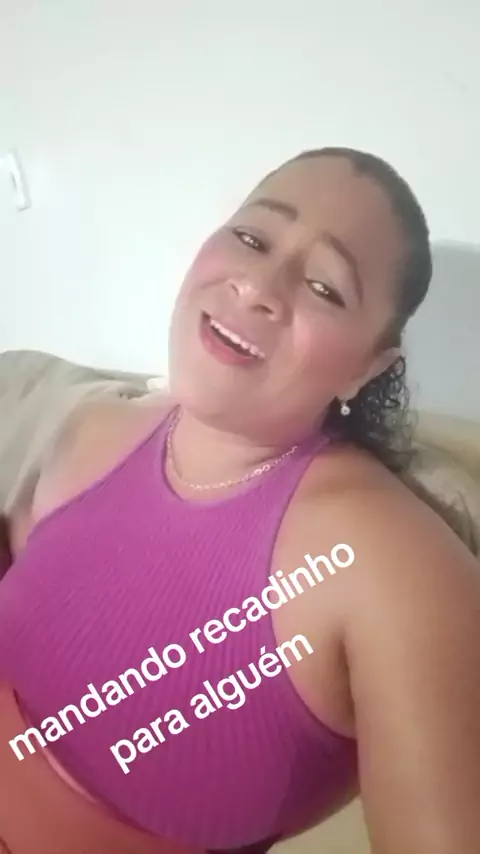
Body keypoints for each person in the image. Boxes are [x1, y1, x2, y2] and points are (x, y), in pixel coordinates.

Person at [1, 147, 479, 854]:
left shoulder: (395, 567)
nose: (259, 285)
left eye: (325, 287)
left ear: (367, 368)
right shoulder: (90, 426)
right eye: (253, 238)